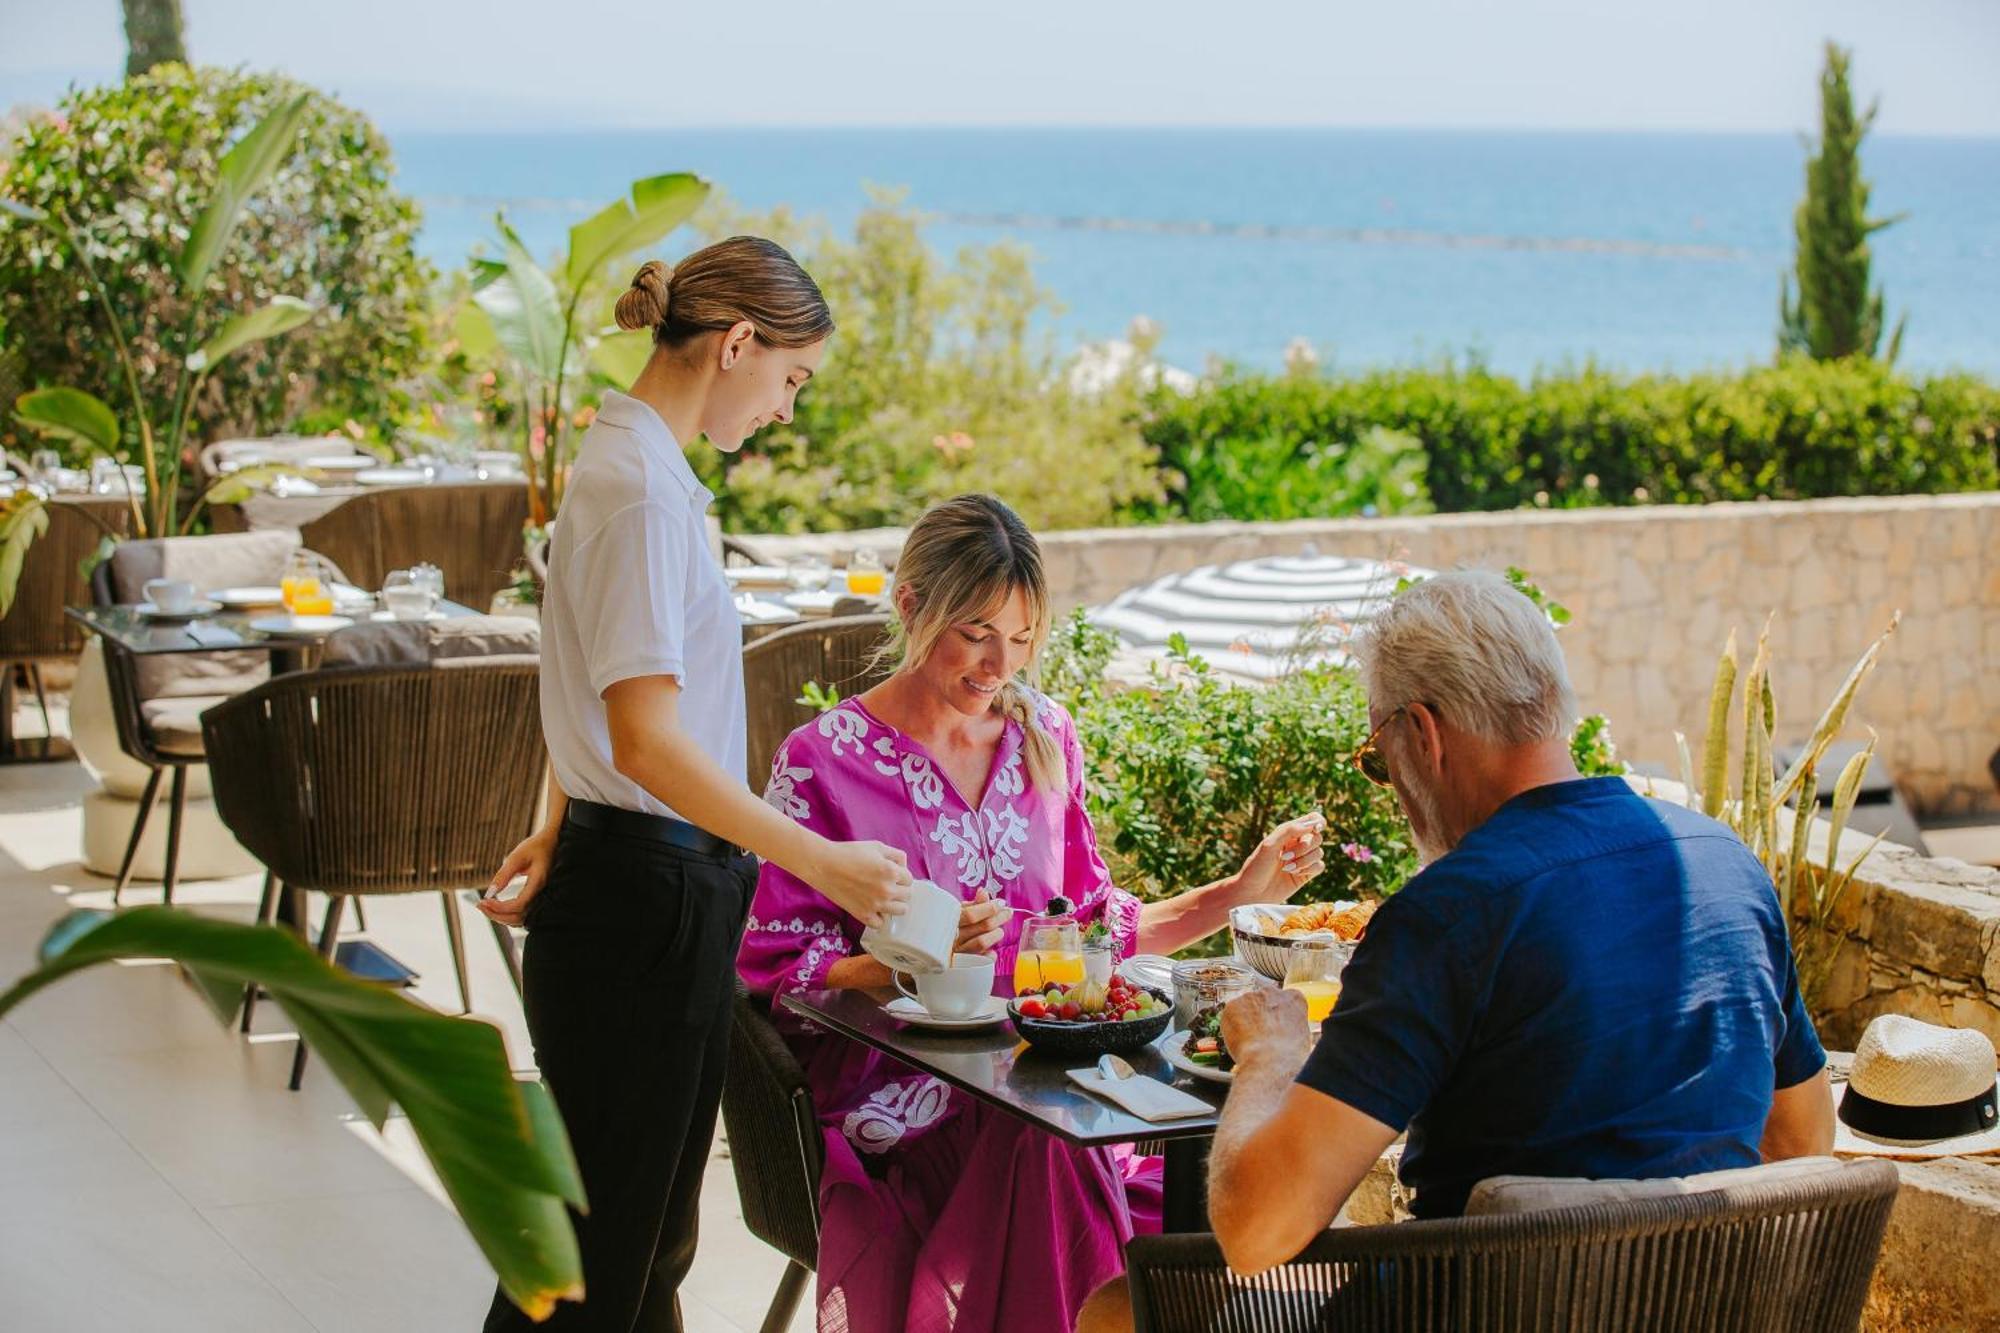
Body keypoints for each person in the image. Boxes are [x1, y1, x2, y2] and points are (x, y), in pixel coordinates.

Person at [1081, 570, 1836, 1331]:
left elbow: (1256, 1232)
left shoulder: (1449, 914)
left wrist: (1270, 1056)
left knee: (1117, 1312)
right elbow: (1802, 1136)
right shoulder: (1725, 863)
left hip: (1480, 1308)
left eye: (1379, 757)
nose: (1392, 784)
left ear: (1423, 732)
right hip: (1699, 1311)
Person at [736, 494, 1328, 1333]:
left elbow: (1100, 937)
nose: (997, 665)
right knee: (1057, 1157)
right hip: (903, 1093)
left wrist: (1240, 892)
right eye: (976, 633)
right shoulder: (821, 762)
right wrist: (908, 961)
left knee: (1179, 1169)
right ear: (910, 605)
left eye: (1020, 640)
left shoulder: (1045, 736)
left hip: (1060, 1085)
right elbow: (776, 973)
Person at [477, 238, 914, 1333]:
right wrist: (821, 861)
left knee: (640, 1249)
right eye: (790, 379)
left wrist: (555, 821)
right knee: (594, 1265)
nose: (786, 408)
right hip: (643, 899)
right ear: (734, 344)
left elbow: (585, 685)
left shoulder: (643, 473)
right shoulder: (639, 493)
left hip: (644, 883)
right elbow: (646, 742)